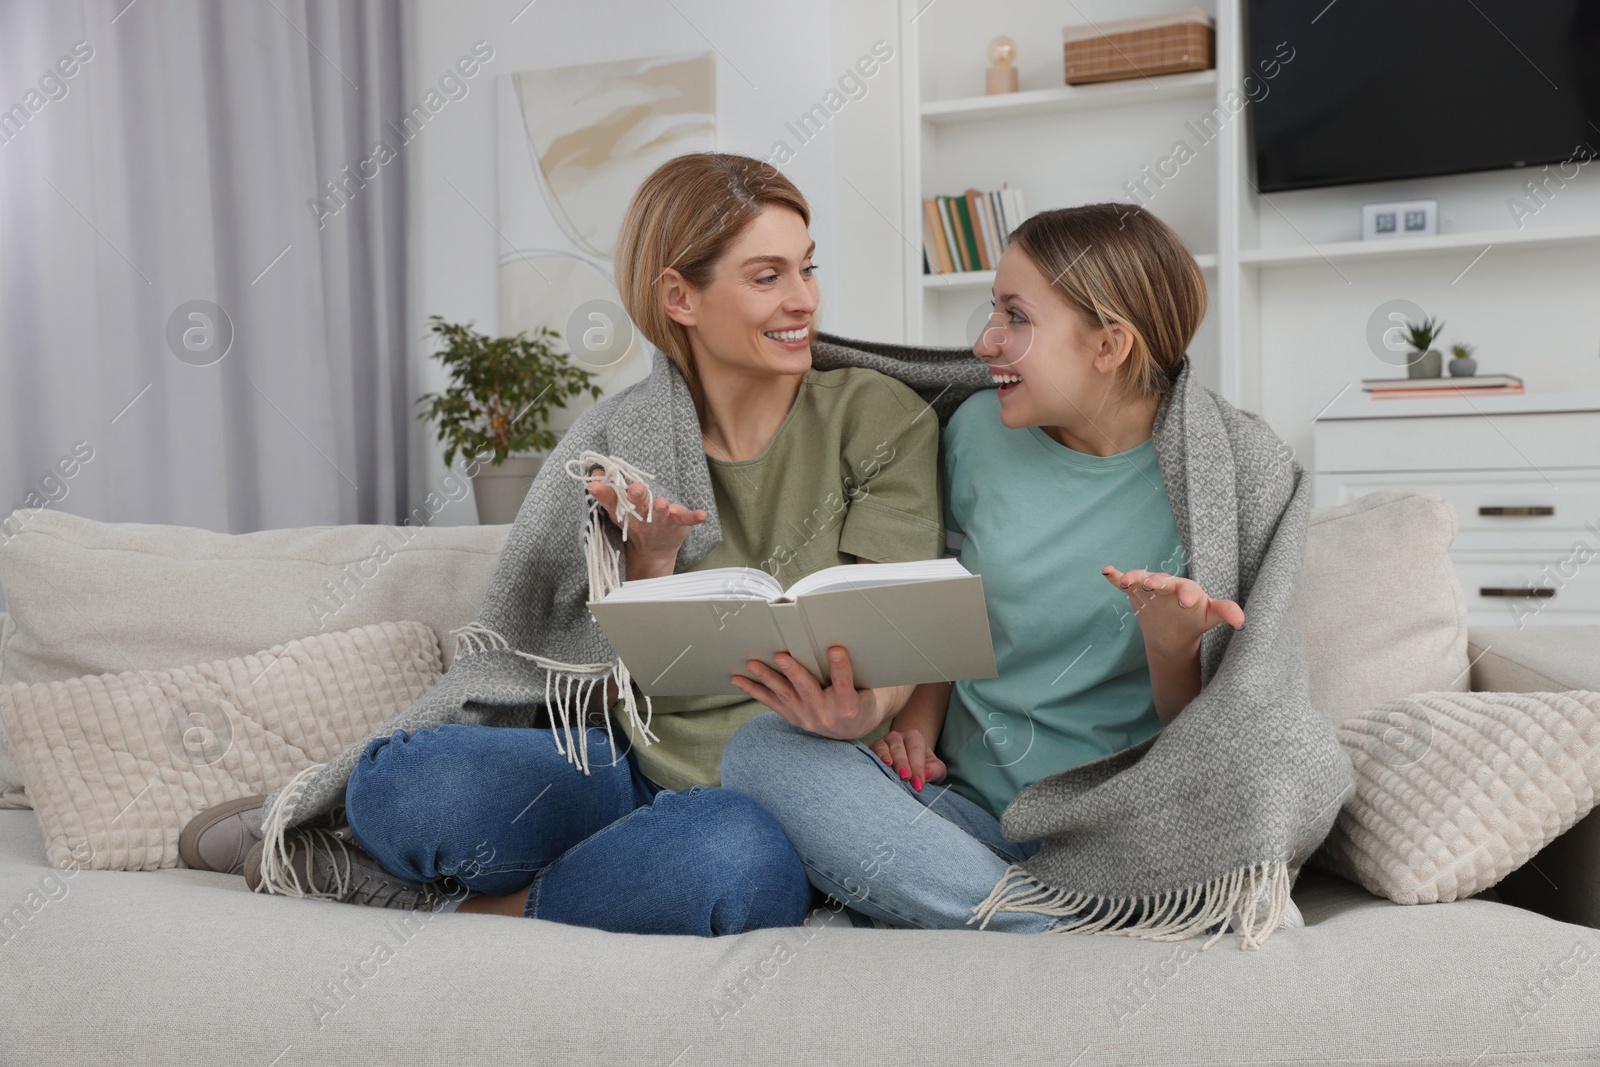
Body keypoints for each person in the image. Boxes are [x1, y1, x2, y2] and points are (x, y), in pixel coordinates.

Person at [176, 152, 946, 936]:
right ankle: (584, 871)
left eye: (807, 270)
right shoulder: (619, 442)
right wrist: (647, 561)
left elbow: (893, 623)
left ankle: (464, 905)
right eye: (767, 276)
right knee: (405, 784)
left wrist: (866, 715)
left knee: (728, 860)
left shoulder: (877, 417)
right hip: (623, 771)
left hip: (775, 808)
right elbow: (598, 680)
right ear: (680, 295)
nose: (804, 301)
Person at [720, 203, 1294, 936]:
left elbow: (1221, 744)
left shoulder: (1220, 481)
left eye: (1016, 317)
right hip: (962, 818)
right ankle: (1047, 925)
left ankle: (999, 912)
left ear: (1109, 345)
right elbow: (952, 608)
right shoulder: (976, 434)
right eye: (992, 310)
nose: (986, 341)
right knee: (761, 751)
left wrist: (1170, 644)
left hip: (1117, 835)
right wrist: (918, 730)